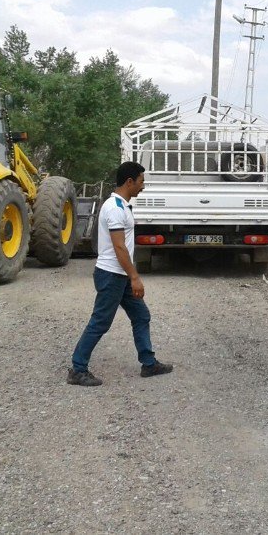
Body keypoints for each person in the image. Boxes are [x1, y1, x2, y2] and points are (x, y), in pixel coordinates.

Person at [67, 161, 173, 386]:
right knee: (100, 322)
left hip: (119, 274)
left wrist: (129, 276)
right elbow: (119, 247)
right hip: (112, 275)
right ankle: (77, 369)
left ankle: (149, 363)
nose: (143, 187)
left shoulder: (121, 205)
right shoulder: (115, 208)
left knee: (141, 316)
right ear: (129, 182)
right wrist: (135, 276)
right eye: (141, 182)